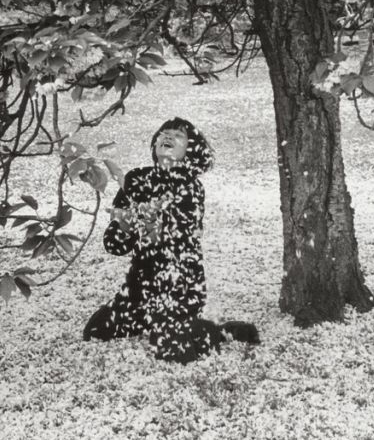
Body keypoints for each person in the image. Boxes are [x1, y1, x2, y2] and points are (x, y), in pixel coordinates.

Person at [83, 117, 260, 363]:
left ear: (190, 151)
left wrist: (150, 222)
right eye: (163, 133)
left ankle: (216, 332)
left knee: (176, 355)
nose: (167, 136)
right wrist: (123, 226)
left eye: (178, 135)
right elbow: (114, 245)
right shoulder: (134, 180)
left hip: (179, 290)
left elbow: (179, 243)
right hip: (140, 290)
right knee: (95, 331)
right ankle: (153, 323)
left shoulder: (191, 187)